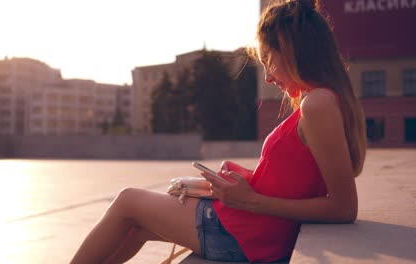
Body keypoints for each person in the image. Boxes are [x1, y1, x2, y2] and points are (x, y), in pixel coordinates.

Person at [70, 0, 367, 263]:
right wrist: (241, 182)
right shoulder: (322, 98)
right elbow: (298, 180)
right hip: (253, 230)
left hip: (246, 235)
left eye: (268, 61)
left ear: (290, 49)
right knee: (136, 228)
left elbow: (343, 207)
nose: (268, 76)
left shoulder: (317, 104)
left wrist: (251, 200)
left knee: (128, 200)